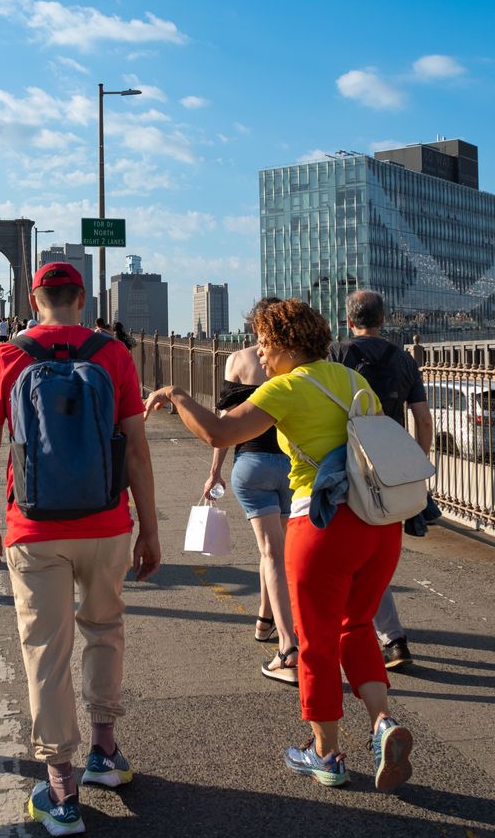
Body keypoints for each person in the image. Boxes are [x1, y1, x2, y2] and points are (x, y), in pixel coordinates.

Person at [145, 299, 414, 793]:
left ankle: (326, 753)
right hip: (380, 526)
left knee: (314, 642)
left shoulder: (286, 387)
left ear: (289, 346)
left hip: (323, 525)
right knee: (356, 628)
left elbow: (219, 431)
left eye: (266, 346)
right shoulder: (352, 380)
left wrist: (177, 395)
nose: (261, 358)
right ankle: (381, 723)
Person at [0, 261, 161, 836]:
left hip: (34, 529)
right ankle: (105, 751)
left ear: (33, 298)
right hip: (106, 526)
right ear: (83, 298)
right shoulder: (114, 355)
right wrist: (148, 528)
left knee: (45, 653)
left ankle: (60, 788)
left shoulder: (5, 358)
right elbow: (137, 454)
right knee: (105, 628)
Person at [328, 289, 434, 671]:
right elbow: (423, 419)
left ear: (348, 320)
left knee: (352, 558)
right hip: (392, 473)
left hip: (350, 467)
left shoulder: (336, 356)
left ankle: (387, 637)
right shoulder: (403, 360)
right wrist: (418, 467)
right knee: (376, 556)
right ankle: (386, 635)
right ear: (384, 319)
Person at [202, 297, 298, 684]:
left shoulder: (239, 360)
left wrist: (214, 472)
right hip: (293, 466)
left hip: (252, 463)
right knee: (277, 552)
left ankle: (270, 626)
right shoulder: (295, 362)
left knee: (269, 551)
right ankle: (270, 623)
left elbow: (225, 422)